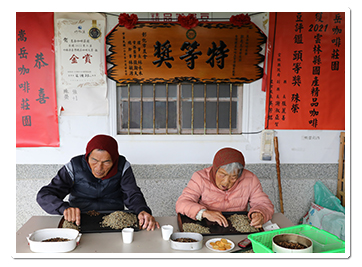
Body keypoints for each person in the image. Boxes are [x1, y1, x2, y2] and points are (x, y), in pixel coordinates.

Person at [37, 134, 160, 231]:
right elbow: (44, 195)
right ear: (87, 156)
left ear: (114, 160)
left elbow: (132, 194)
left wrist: (142, 210)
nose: (99, 168)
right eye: (94, 160)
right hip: (79, 220)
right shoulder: (74, 166)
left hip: (114, 221)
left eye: (106, 162)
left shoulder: (122, 167)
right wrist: (64, 208)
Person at [176, 147, 274, 228]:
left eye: (233, 177)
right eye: (222, 175)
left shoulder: (250, 179)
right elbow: (182, 203)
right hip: (206, 226)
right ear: (215, 169)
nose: (226, 182)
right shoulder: (200, 178)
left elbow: (263, 204)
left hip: (237, 228)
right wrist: (204, 213)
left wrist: (259, 213)